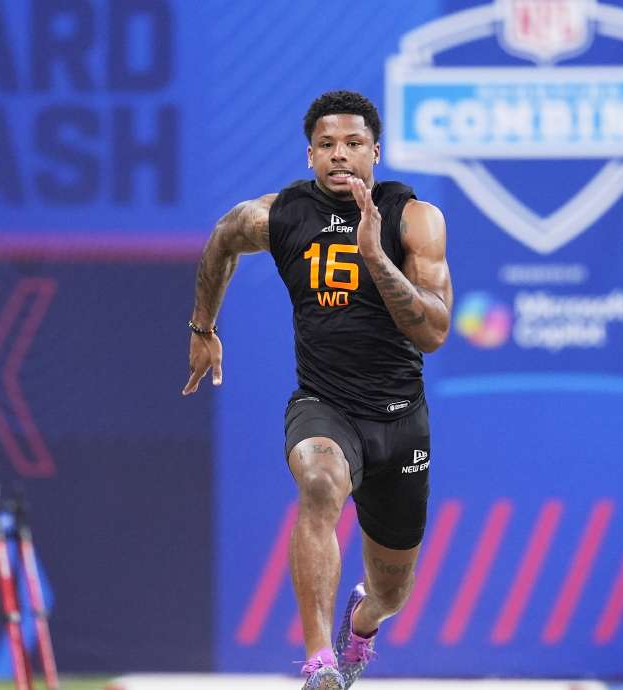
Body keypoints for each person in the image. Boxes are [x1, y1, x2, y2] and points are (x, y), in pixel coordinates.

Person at [181, 90, 452, 689]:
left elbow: (433, 332)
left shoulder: (414, 219)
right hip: (324, 406)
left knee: (392, 592)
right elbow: (224, 236)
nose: (339, 155)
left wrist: (375, 256)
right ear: (310, 156)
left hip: (399, 420)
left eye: (353, 143)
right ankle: (320, 663)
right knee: (320, 483)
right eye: (326, 145)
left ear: (375, 152)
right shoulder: (280, 216)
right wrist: (203, 327)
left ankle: (361, 623)